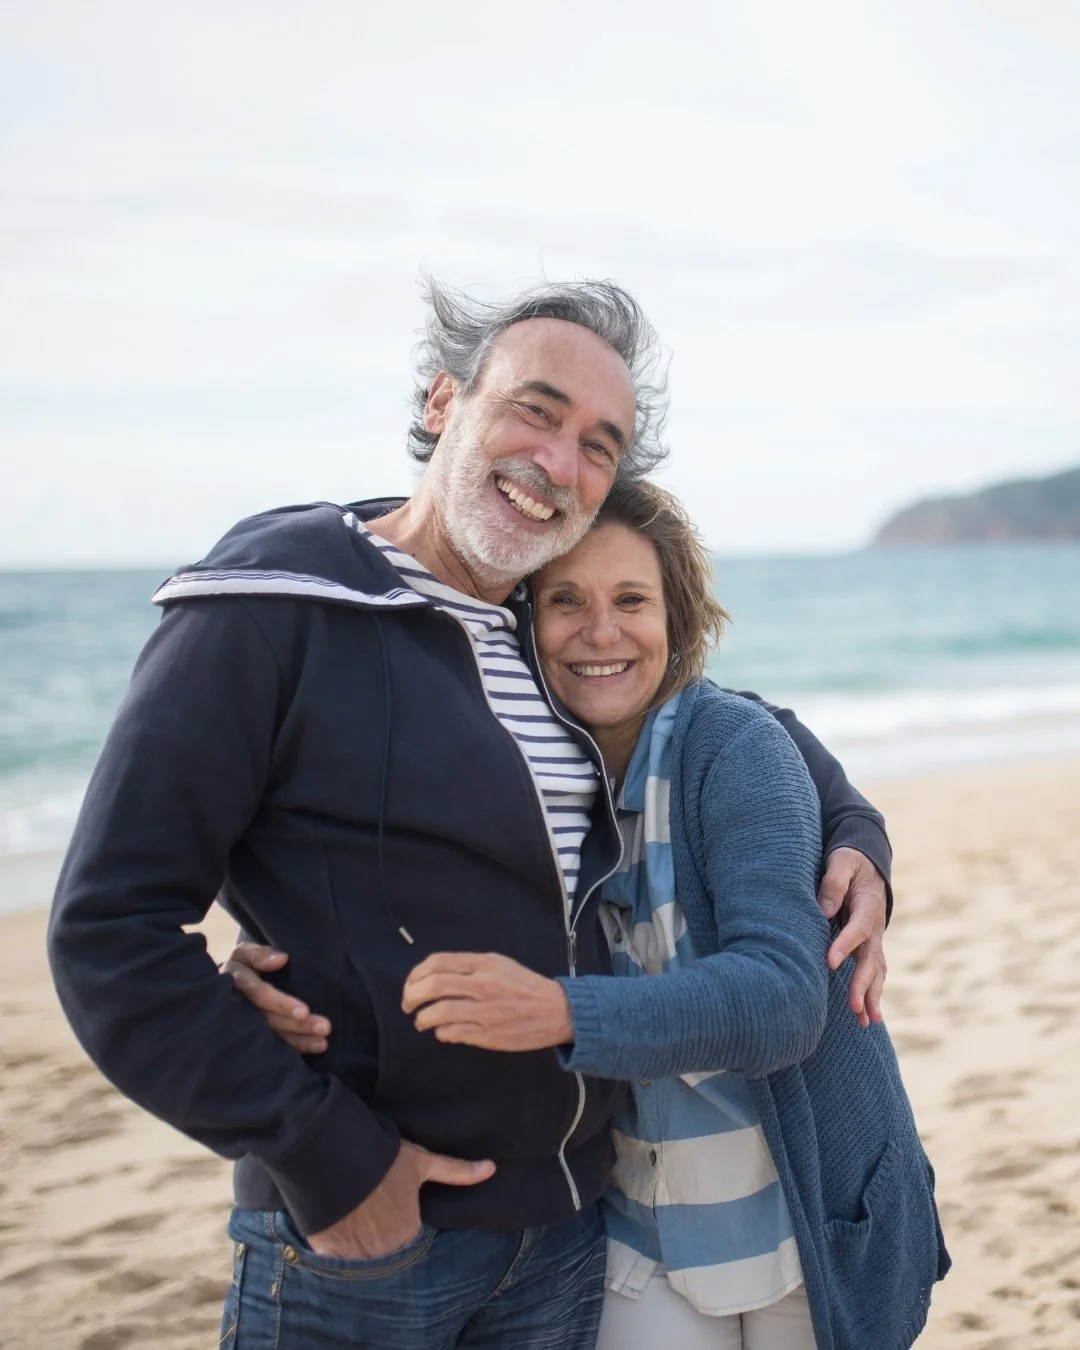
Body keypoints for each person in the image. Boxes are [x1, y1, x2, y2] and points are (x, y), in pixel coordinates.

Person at [49, 279, 895, 1350]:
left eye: (601, 443)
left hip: (576, 1230)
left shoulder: (535, 628)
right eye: (535, 410)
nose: (560, 463)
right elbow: (108, 932)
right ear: (444, 402)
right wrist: (333, 1165)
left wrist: (855, 833)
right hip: (371, 1244)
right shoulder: (270, 609)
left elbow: (719, 716)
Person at [239, 480, 948, 1349]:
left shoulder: (730, 747)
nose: (601, 632)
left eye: (631, 600)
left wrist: (560, 1012)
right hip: (641, 1221)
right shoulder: (517, 764)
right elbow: (375, 857)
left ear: (676, 618)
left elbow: (784, 1001)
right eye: (565, 600)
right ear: (520, 621)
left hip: (805, 1218)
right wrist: (271, 955)